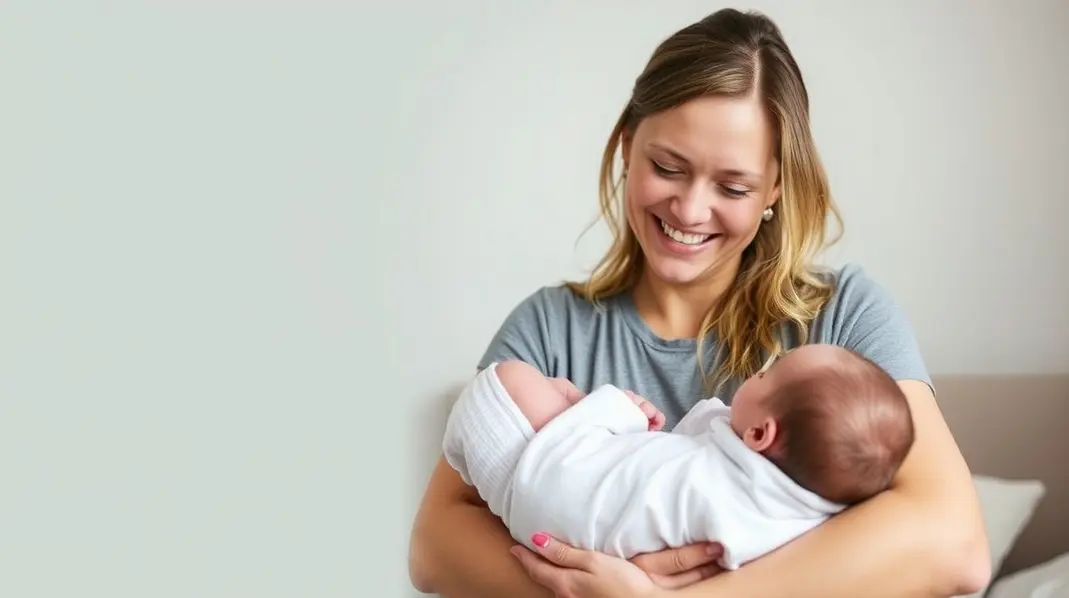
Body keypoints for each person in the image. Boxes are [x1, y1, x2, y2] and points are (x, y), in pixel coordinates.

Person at [409, 7, 990, 598]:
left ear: (774, 189)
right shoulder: (552, 329)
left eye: (733, 187)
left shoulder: (842, 318)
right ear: (627, 148)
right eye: (667, 167)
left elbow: (955, 546)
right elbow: (434, 547)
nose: (689, 210)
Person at [440, 344, 915, 571]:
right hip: (573, 535)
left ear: (759, 433)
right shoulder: (798, 508)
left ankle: (552, 414)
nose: (757, 370)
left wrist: (613, 411)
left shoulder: (722, 477)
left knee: (507, 377)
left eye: (768, 374)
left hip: (556, 503)